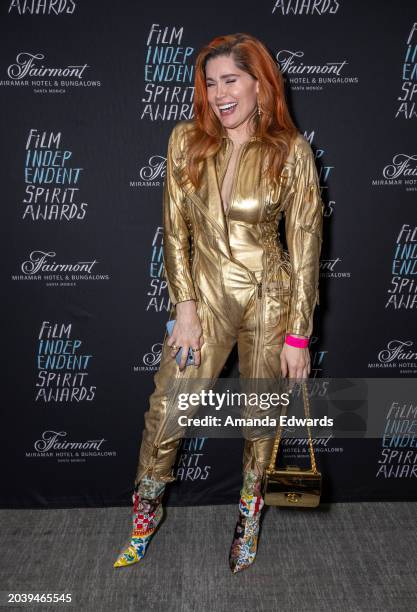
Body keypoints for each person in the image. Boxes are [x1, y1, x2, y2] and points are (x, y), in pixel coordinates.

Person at [114, 32, 324, 573]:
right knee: (166, 409)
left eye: (230, 80)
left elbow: (304, 249)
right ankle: (145, 515)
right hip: (203, 301)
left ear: (260, 84)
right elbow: (174, 227)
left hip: (271, 302)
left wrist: (299, 335)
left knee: (261, 418)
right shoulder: (186, 140)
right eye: (210, 84)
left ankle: (249, 517)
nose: (219, 94)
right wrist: (184, 305)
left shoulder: (291, 151)